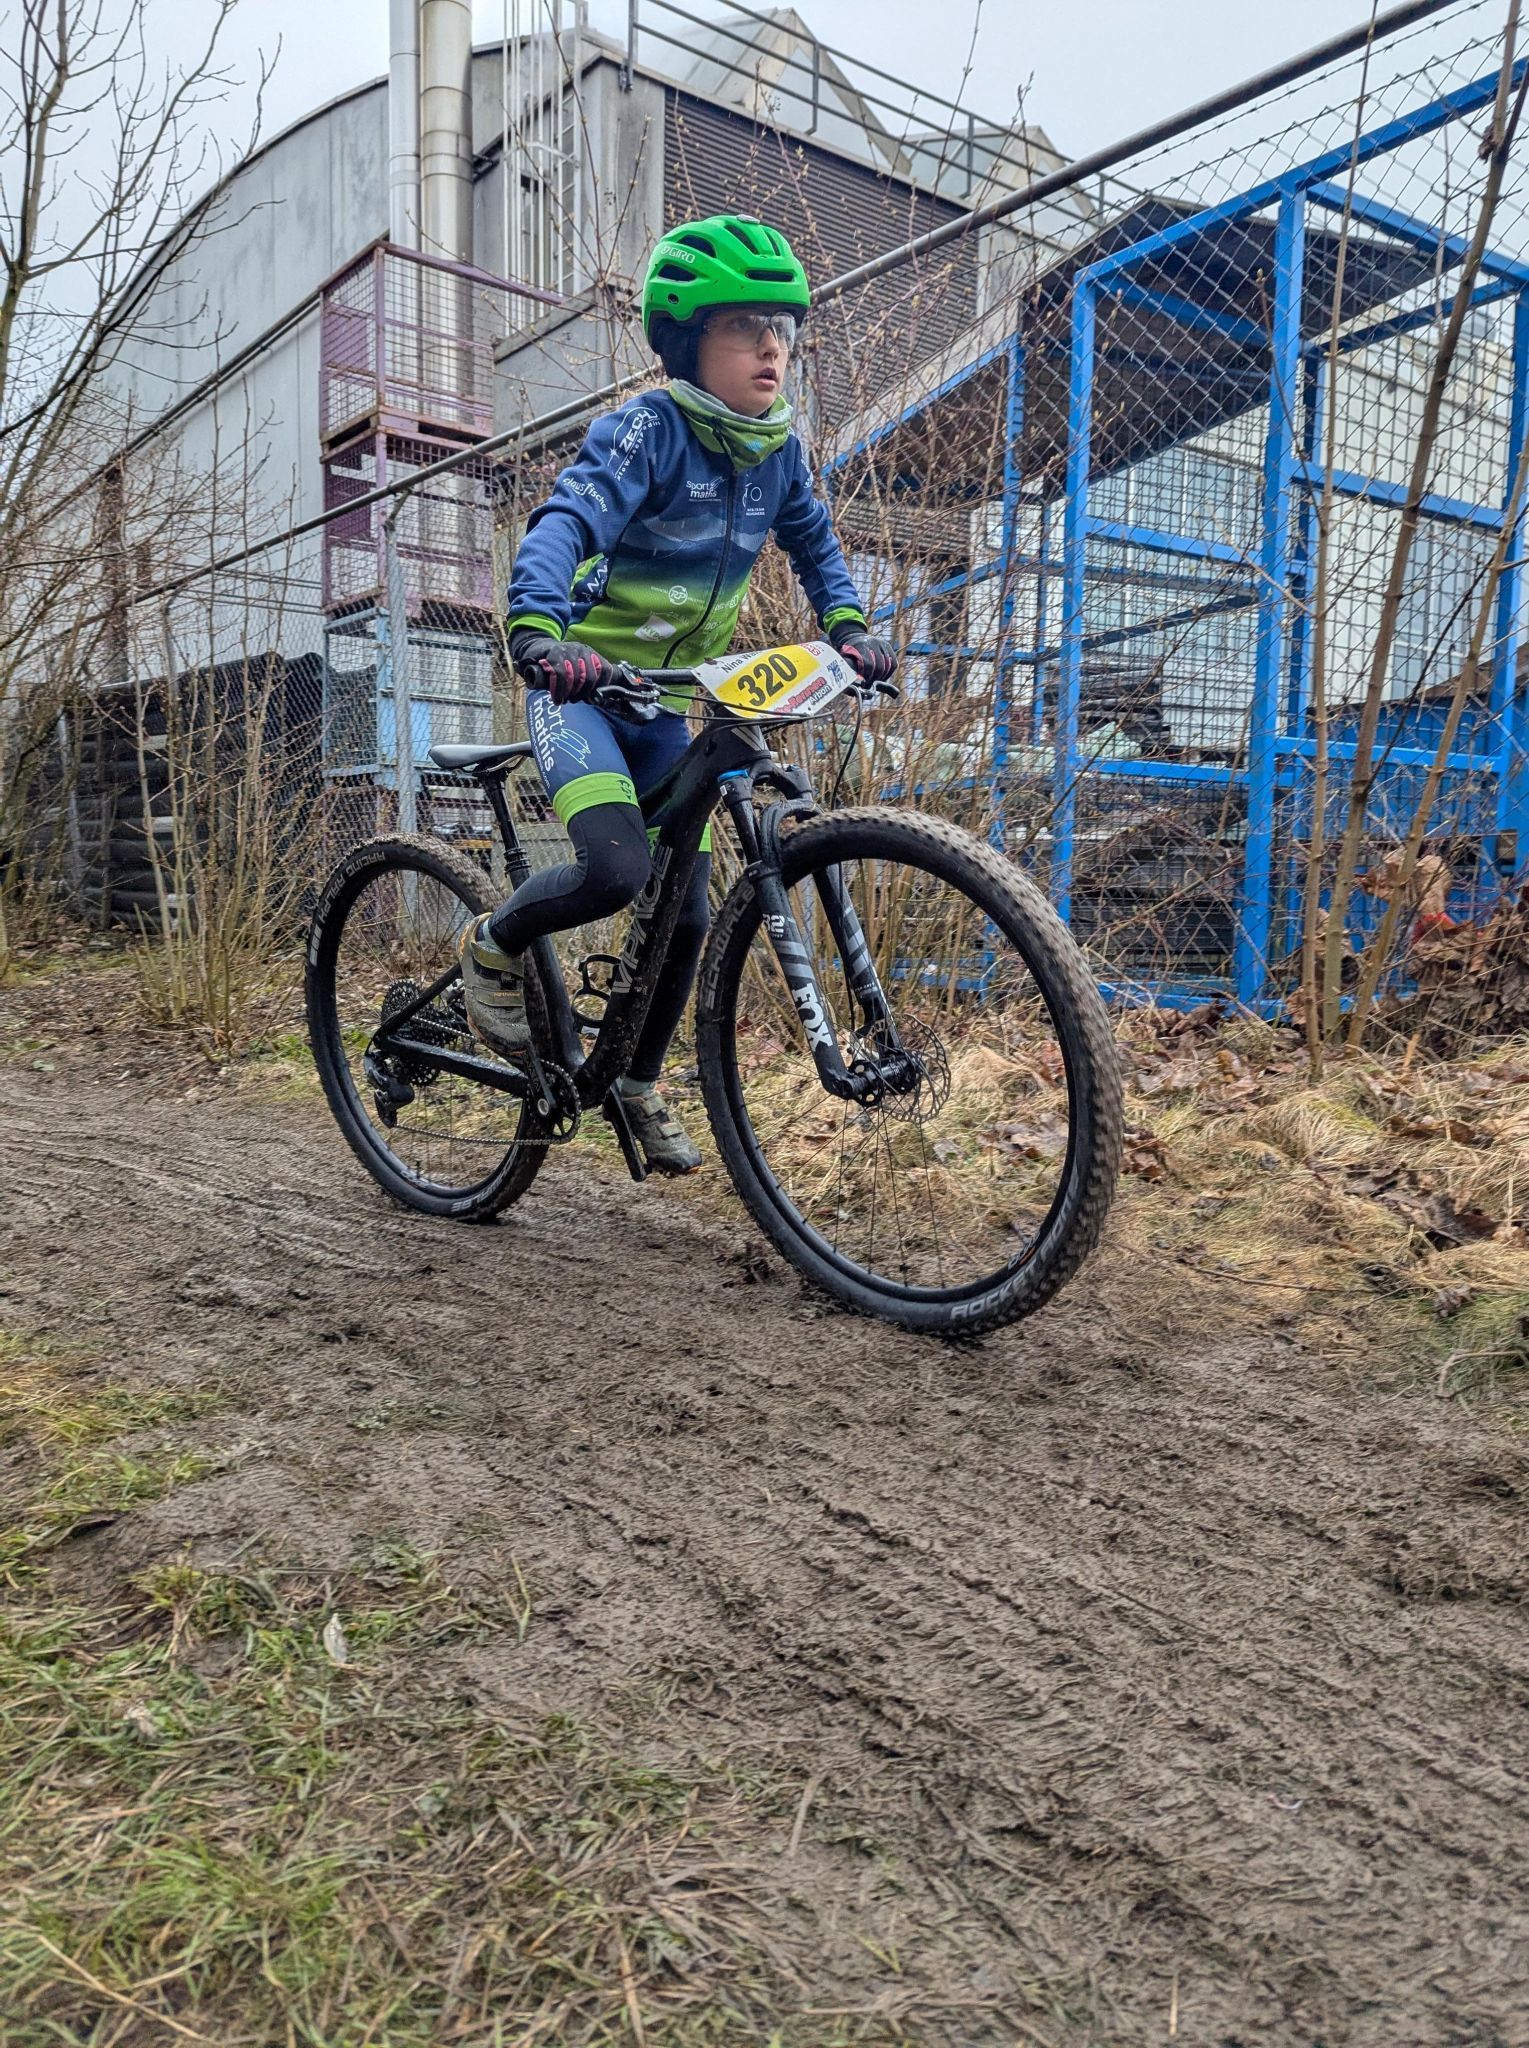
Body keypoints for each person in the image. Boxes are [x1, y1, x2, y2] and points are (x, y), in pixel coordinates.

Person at [459, 213, 896, 1173]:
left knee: (687, 915)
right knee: (615, 871)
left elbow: (816, 545)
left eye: (781, 328)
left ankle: (635, 1085)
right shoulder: (646, 431)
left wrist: (850, 627)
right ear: (687, 340)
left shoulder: (774, 451)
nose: (771, 348)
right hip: (583, 689)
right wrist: (538, 634)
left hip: (666, 701)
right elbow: (563, 521)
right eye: (743, 326)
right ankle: (492, 944)